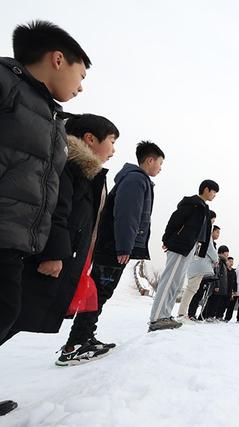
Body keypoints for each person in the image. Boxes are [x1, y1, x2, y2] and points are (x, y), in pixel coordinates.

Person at [0, 19, 90, 417]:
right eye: (81, 74)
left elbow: (47, 188)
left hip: (15, 237)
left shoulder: (51, 117)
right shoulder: (6, 86)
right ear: (58, 59)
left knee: (6, 308)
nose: (81, 86)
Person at [4, 114, 114, 367]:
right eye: (111, 141)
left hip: (57, 258)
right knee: (12, 314)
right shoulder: (66, 167)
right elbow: (55, 211)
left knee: (15, 317)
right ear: (90, 139)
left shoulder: (83, 172)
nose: (113, 149)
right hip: (41, 258)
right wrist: (54, 254)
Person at [60, 140, 164, 361]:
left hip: (111, 245)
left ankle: (84, 337)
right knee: (99, 293)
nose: (160, 169)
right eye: (160, 164)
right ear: (150, 160)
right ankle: (76, 344)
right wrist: (125, 246)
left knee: (99, 292)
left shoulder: (135, 179)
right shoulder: (136, 179)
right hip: (113, 246)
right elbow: (127, 215)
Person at [149, 180, 218, 331]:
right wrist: (167, 239)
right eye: (213, 192)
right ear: (206, 189)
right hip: (180, 246)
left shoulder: (204, 208)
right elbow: (174, 221)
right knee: (169, 281)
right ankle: (156, 318)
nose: (214, 195)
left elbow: (204, 235)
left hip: (190, 248)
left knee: (177, 283)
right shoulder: (192, 204)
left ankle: (165, 315)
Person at [177, 216, 216, 320]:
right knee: (191, 289)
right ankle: (182, 313)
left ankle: (183, 313)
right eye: (213, 220)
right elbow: (209, 248)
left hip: (193, 264)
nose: (213, 222)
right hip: (198, 265)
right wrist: (215, 259)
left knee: (191, 289)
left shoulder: (198, 228)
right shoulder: (206, 229)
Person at [202, 245, 229, 321]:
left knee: (216, 302)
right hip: (217, 286)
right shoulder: (218, 261)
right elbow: (216, 273)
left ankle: (209, 316)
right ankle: (208, 316)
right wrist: (217, 285)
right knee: (212, 301)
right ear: (222, 253)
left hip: (221, 287)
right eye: (226, 253)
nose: (227, 255)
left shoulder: (223, 262)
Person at [223, 257, 238, 322]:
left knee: (227, 304)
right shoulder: (224, 269)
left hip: (230, 290)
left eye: (232, 261)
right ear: (227, 262)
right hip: (223, 288)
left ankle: (226, 318)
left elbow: (235, 281)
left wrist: (234, 290)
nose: (231, 263)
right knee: (221, 304)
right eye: (230, 261)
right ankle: (218, 316)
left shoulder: (233, 271)